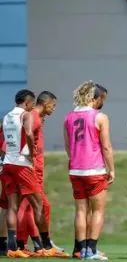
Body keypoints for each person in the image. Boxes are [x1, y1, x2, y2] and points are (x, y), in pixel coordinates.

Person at [64, 81, 115, 260]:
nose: (103, 102)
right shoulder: (100, 117)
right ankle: (91, 250)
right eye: (102, 98)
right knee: (98, 211)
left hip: (76, 170)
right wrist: (112, 169)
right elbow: (106, 146)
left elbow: (68, 147)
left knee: (80, 210)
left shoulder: (69, 117)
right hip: (94, 170)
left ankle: (81, 249)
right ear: (95, 98)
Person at [1, 89, 54, 258]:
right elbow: (29, 133)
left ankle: (12, 247)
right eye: (31, 104)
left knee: (12, 206)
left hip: (8, 163)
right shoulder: (26, 115)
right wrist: (31, 153)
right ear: (28, 103)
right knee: (39, 204)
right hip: (22, 164)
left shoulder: (7, 116)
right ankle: (46, 245)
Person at [16, 91, 67, 257]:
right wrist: (29, 159)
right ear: (45, 103)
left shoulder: (36, 118)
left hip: (33, 170)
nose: (54, 109)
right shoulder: (33, 117)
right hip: (30, 171)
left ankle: (24, 243)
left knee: (28, 207)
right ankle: (41, 244)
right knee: (41, 206)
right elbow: (26, 136)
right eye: (53, 105)